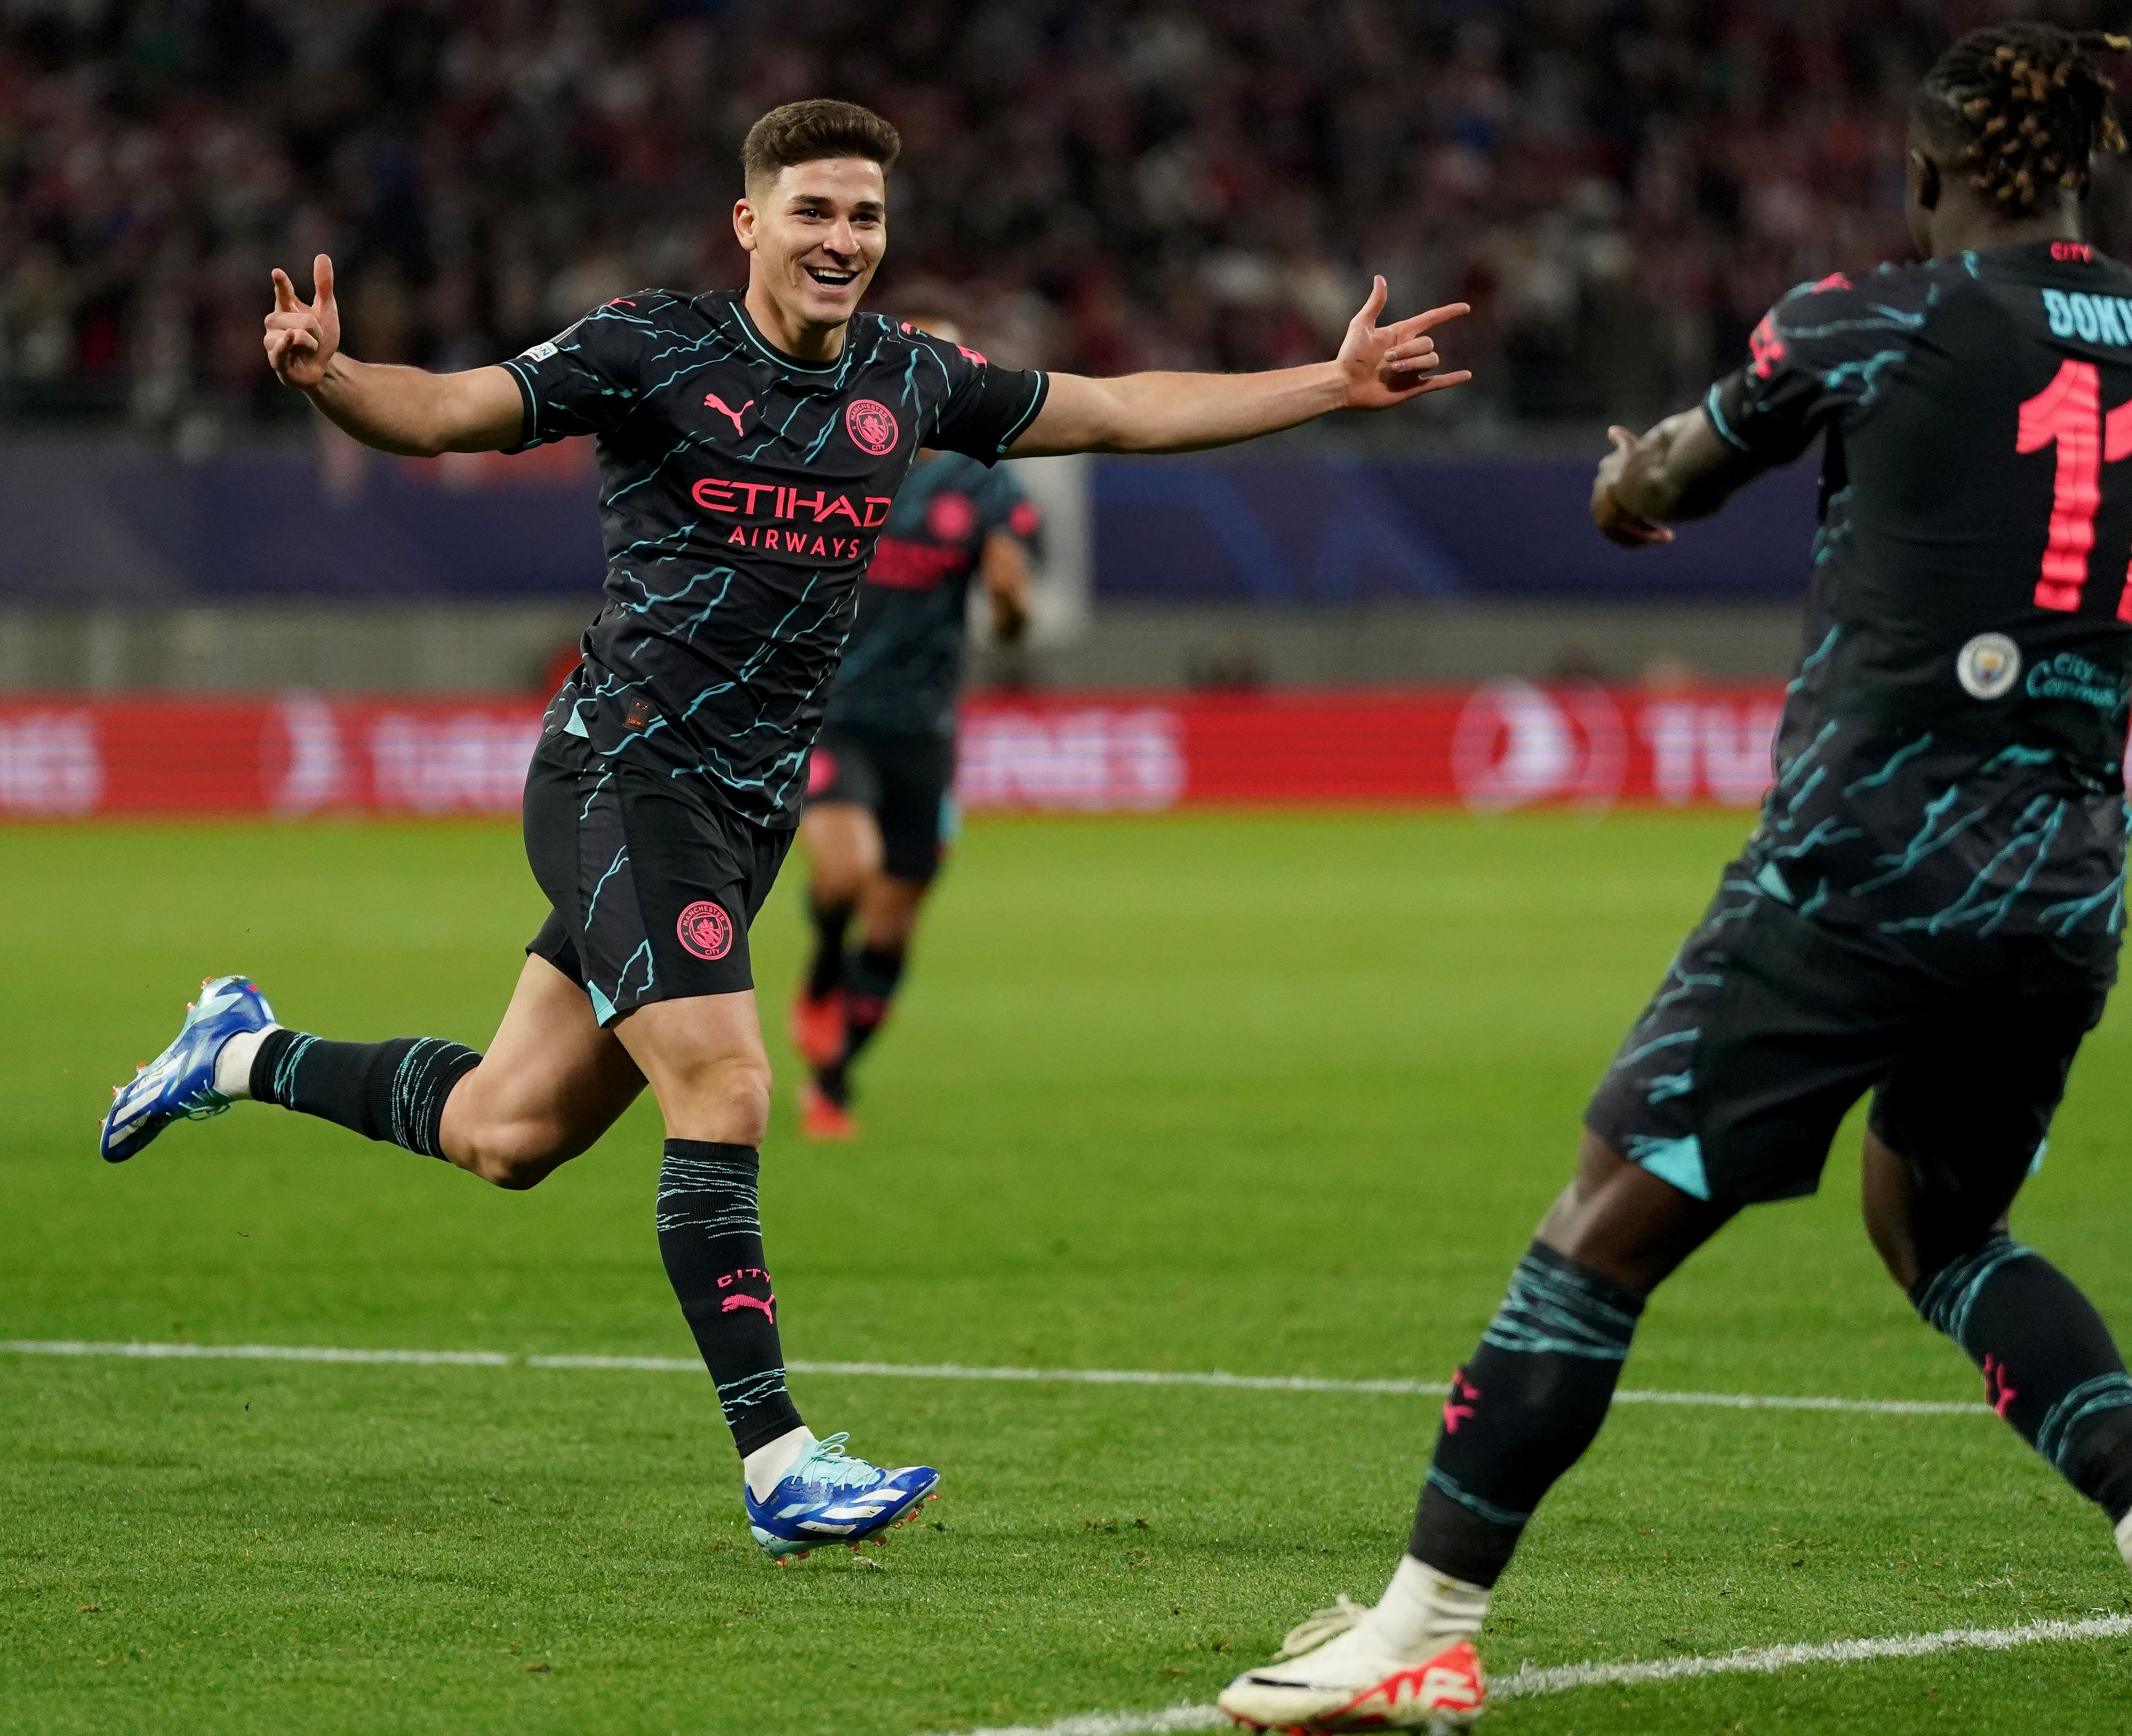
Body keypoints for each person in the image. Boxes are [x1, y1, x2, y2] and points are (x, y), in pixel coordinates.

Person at [98, 99, 1467, 1564]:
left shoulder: (909, 376)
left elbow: (1120, 410)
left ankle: (232, 1048)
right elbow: (444, 412)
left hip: (741, 814)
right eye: (813, 211)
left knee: (508, 1129)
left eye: (864, 216)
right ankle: (780, 1459)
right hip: (623, 775)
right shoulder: (648, 349)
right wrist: (332, 377)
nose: (842, 240)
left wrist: (1324, 385)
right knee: (731, 1085)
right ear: (747, 223)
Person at [1220, 28, 2132, 1735]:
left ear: (1930, 173)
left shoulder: (1871, 312)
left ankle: (1425, 1623)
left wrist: (1628, 478)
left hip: (1864, 860)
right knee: (1944, 1224)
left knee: (1602, 1225)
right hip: (2069, 873)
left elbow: (1665, 484)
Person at [790, 315, 1038, 1140]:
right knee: (846, 870)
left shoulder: (982, 483)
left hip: (922, 730)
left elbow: (1010, 627)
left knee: (895, 919)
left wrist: (1007, 602)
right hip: (829, 714)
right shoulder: (829, 453)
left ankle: (833, 1077)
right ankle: (823, 962)